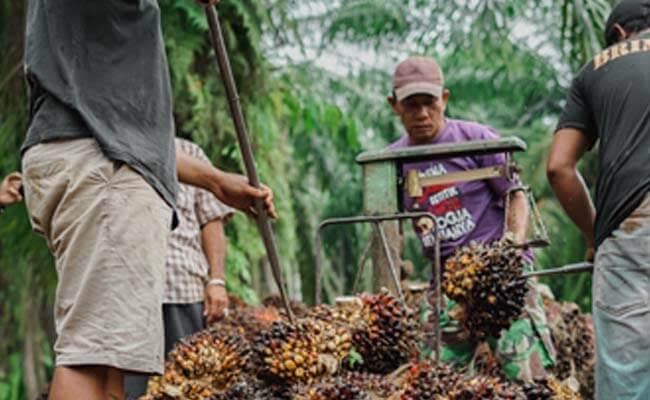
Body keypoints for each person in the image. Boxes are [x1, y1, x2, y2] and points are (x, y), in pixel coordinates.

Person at [21, 1, 276, 399]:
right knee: (89, 358)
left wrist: (214, 181)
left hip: (97, 158)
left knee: (108, 369)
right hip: (102, 168)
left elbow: (131, 135)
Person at [387, 56, 555, 382]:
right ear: (395, 106)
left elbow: (516, 194)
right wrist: (393, 270)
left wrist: (512, 246)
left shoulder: (477, 138)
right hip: (448, 282)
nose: (422, 114)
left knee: (528, 379)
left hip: (501, 274)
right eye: (411, 106)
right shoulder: (393, 161)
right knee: (432, 380)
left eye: (429, 103)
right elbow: (387, 224)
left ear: (445, 99)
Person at [547, 1, 650, 398]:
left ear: (620, 34)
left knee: (628, 378)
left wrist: (595, 237)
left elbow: (559, 167)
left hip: (631, 225)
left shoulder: (594, 70)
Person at [124, 138, 234, 399]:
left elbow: (211, 220)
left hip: (182, 287)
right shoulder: (116, 144)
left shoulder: (191, 152)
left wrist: (217, 280)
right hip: (129, 293)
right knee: (134, 391)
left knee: (192, 384)